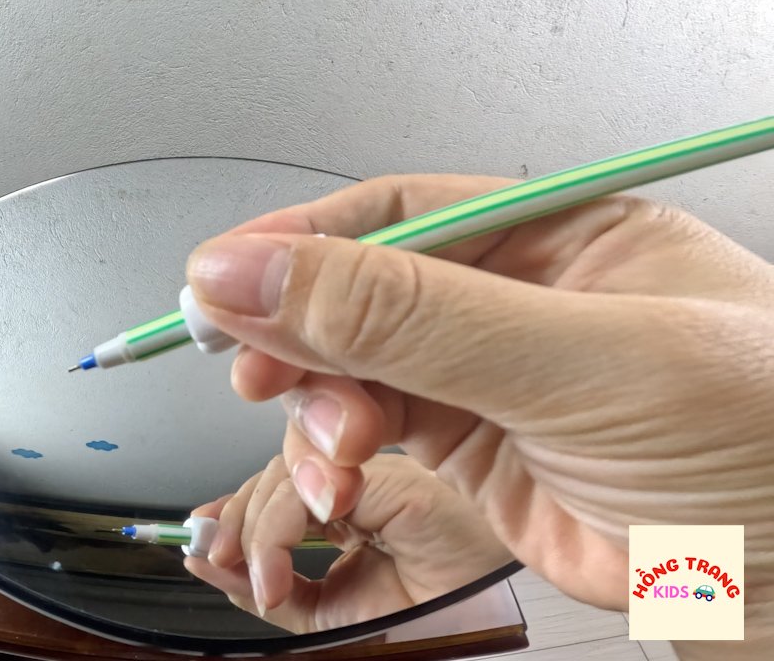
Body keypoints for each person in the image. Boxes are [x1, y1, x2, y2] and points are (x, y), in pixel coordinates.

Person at [178, 174, 774, 660]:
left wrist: (752, 596)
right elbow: (724, 593)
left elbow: (741, 589)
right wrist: (747, 597)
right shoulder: (716, 568)